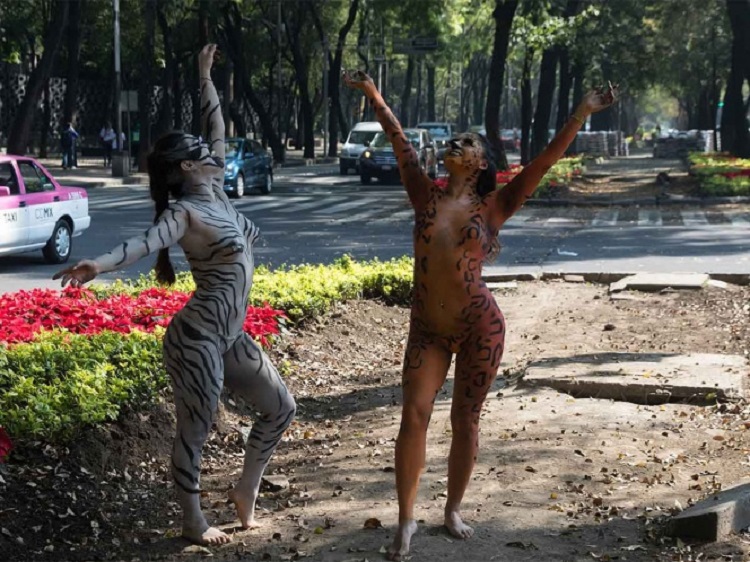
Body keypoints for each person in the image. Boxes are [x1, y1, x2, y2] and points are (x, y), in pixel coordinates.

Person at [344, 70, 616, 561]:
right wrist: (373, 93)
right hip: (427, 329)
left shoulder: (495, 206)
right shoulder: (423, 193)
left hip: (479, 328)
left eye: (467, 142)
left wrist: (582, 113)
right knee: (413, 416)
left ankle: (452, 509)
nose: (457, 143)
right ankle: (406, 519)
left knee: (464, 419)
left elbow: (544, 162)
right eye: (455, 140)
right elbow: (399, 140)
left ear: (482, 161)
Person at [53, 44, 296, 546]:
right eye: (203, 154)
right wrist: (97, 264)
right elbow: (142, 245)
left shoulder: (218, 192)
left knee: (282, 408)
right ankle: (192, 519)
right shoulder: (184, 213)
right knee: (196, 427)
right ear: (187, 167)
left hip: (230, 336)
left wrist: (204, 73)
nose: (214, 154)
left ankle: (245, 489)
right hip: (197, 338)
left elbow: (216, 125)